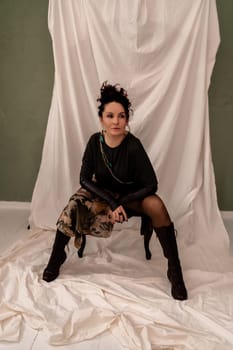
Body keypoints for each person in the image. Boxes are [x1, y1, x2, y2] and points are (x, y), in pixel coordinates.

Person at [42, 82, 188, 301]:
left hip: (131, 197)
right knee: (73, 204)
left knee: (156, 205)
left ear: (127, 119)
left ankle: (175, 271)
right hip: (103, 195)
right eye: (110, 116)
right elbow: (83, 178)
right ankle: (56, 258)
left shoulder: (133, 145)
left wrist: (122, 202)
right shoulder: (94, 142)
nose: (116, 121)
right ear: (101, 118)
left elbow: (151, 184)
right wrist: (111, 202)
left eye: (121, 116)